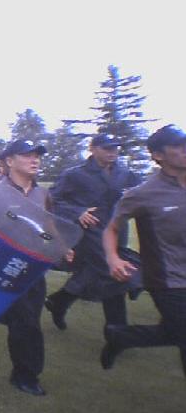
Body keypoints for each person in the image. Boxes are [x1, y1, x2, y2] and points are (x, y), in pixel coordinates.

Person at [0, 139, 67, 396]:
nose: (35, 160)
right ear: (9, 161)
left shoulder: (43, 193)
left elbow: (48, 224)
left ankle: (25, 374)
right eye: (27, 155)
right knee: (11, 316)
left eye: (37, 155)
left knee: (28, 321)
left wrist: (61, 245)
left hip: (31, 267)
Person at [101, 125, 186, 377]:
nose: (185, 150)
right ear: (158, 155)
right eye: (177, 146)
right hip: (168, 280)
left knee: (176, 332)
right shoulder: (143, 194)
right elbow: (111, 229)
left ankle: (121, 336)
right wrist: (113, 258)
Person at [45, 133, 141, 331]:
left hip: (117, 231)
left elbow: (141, 191)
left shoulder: (124, 172)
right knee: (114, 271)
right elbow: (52, 200)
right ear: (93, 149)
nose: (112, 152)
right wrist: (77, 212)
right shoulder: (75, 174)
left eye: (116, 148)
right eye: (107, 148)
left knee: (100, 272)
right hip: (89, 233)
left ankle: (60, 300)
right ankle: (117, 328)